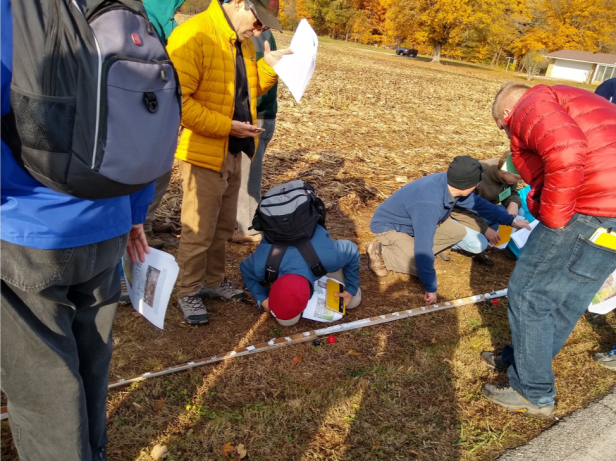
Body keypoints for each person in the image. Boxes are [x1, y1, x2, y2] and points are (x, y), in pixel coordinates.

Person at [0, 1, 154, 459]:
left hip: (27, 231)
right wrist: (135, 210)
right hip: (108, 223)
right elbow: (143, 115)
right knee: (91, 364)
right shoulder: (117, 6)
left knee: (44, 389)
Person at [482, 82, 616, 418]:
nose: (507, 134)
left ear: (507, 112)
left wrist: (554, 216)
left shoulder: (531, 104)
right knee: (568, 298)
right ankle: (522, 358)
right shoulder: (576, 102)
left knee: (529, 295)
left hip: (589, 210)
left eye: (503, 127)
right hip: (611, 217)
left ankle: (533, 392)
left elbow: (567, 149)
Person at [166, 0, 291, 325]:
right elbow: (177, 103)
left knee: (222, 227)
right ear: (237, 2)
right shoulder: (192, 36)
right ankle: (187, 290)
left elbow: (248, 92)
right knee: (199, 229)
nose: (260, 29)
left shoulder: (245, 43)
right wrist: (227, 126)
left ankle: (213, 281)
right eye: (259, 20)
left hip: (234, 149)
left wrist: (269, 67)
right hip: (204, 152)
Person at [366, 156, 530, 305]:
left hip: (423, 222)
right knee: (419, 264)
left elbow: (480, 205)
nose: (479, 185)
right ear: (469, 184)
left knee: (457, 232)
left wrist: (511, 221)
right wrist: (430, 286)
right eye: (477, 183)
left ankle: (408, 248)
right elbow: (424, 246)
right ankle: (380, 251)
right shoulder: (429, 204)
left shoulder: (452, 184)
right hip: (390, 227)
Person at [240, 225, 361, 325]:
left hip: (319, 259)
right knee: (286, 321)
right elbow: (244, 269)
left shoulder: (330, 258)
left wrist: (350, 289)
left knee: (353, 300)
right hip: (285, 263)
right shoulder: (262, 265)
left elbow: (352, 250)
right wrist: (261, 298)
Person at [141, 0, 186, 249]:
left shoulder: (164, 25)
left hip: (163, 109)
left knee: (162, 169)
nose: (177, 13)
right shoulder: (144, 24)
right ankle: (141, 225)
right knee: (151, 170)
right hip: (148, 111)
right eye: (175, 7)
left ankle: (148, 217)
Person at [231, 28, 279, 244]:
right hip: (263, 115)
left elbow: (255, 87)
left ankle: (247, 228)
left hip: (254, 116)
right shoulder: (266, 36)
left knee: (246, 177)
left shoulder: (254, 37)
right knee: (247, 173)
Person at [449, 150, 523, 264]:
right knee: (478, 245)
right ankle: (452, 242)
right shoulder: (480, 175)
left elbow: (510, 193)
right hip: (463, 215)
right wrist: (485, 229)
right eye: (518, 178)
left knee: (520, 212)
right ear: (506, 171)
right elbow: (459, 209)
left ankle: (488, 238)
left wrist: (513, 203)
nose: (519, 181)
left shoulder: (509, 173)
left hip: (484, 211)